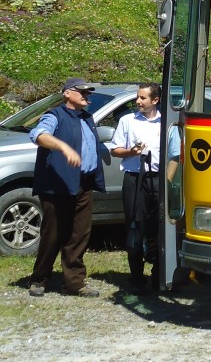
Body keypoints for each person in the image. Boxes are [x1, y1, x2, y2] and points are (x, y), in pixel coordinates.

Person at [28, 78, 105, 298]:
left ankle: (74, 283)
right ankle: (39, 279)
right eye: (82, 92)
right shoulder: (55, 116)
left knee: (79, 235)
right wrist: (62, 146)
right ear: (67, 93)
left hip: (84, 184)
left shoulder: (87, 118)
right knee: (53, 234)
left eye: (88, 93)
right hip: (58, 185)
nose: (86, 96)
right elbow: (39, 136)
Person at [107, 82, 163, 289]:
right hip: (134, 177)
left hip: (158, 179)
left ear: (155, 100)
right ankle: (136, 277)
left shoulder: (164, 122)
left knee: (158, 227)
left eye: (143, 98)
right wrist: (132, 152)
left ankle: (158, 275)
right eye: (137, 98)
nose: (138, 101)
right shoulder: (127, 121)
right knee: (135, 226)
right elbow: (115, 150)